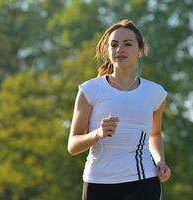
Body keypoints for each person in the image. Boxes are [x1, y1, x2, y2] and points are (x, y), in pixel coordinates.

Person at [67, 19, 171, 200]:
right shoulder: (89, 90)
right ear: (108, 51)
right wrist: (98, 133)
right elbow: (73, 146)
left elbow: (154, 134)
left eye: (127, 44)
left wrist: (160, 161)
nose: (119, 49)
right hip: (98, 183)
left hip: (143, 180)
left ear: (140, 50)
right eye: (114, 45)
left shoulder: (155, 92)